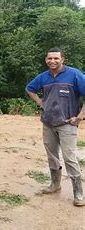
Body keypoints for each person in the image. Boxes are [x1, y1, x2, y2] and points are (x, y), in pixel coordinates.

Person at [26, 47, 85, 206]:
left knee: (69, 157)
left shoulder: (74, 75)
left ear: (62, 59)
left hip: (67, 124)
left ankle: (78, 193)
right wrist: (40, 102)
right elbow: (30, 89)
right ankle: (55, 185)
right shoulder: (43, 77)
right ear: (46, 60)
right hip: (48, 122)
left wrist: (80, 117)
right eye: (49, 58)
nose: (52, 61)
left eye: (56, 58)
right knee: (52, 155)